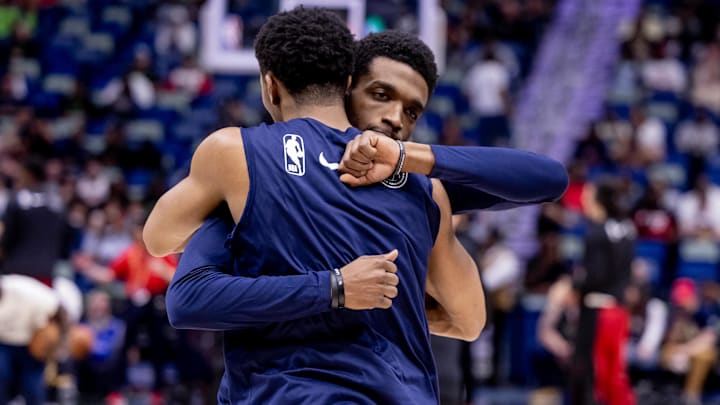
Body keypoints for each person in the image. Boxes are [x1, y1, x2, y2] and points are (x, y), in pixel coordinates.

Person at [146, 10, 566, 403]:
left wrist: (406, 157)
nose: (394, 119)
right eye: (381, 95)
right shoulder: (425, 191)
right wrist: (339, 289)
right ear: (347, 84)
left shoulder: (242, 160)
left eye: (411, 111)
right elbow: (469, 320)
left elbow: (163, 247)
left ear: (269, 85)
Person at [570, 177, 637, 405]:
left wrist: (573, 283)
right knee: (614, 376)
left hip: (597, 312)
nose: (583, 200)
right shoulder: (627, 230)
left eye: (587, 196)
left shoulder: (596, 233)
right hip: (618, 311)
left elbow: (595, 275)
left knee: (590, 373)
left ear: (599, 201)